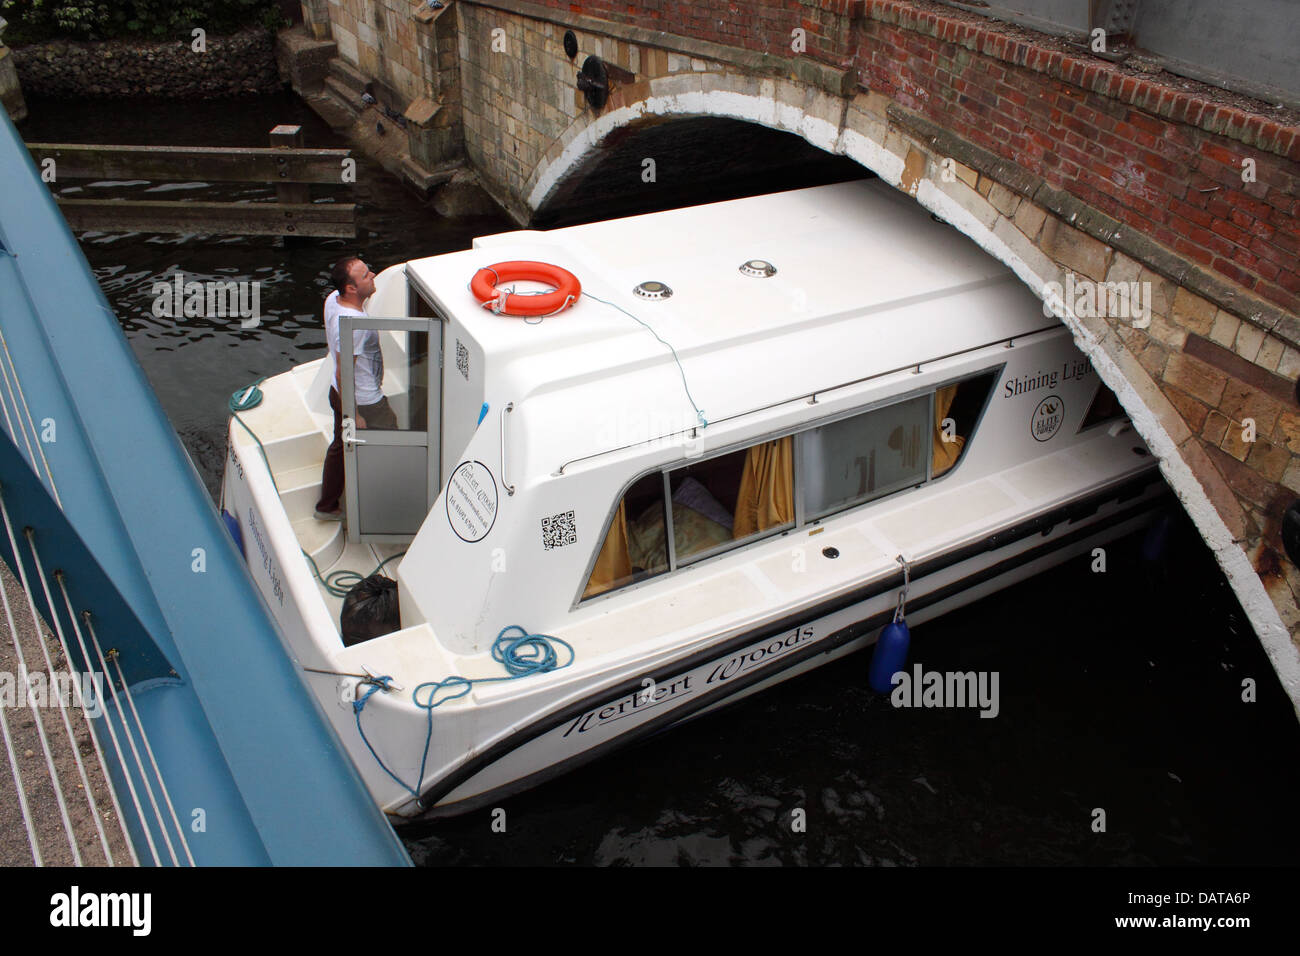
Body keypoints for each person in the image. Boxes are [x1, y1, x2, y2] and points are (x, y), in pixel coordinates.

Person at [314, 256, 397, 520]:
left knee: (340, 446)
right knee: (393, 447)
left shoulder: (332, 301)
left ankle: (327, 506)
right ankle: (383, 510)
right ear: (350, 288)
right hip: (364, 400)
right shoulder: (355, 326)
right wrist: (354, 414)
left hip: (337, 392)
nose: (373, 275)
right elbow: (344, 370)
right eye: (365, 276)